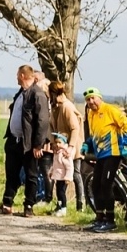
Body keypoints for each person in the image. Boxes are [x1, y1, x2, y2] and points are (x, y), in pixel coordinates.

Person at [0, 64, 51, 216]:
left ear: (22, 75)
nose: (16, 77)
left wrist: (38, 144)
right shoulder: (21, 93)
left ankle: (29, 206)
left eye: (17, 74)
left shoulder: (37, 94)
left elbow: (42, 121)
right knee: (11, 173)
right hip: (14, 141)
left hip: (28, 144)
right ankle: (7, 203)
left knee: (31, 175)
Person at [82, 88, 127, 233]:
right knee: (95, 185)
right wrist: (87, 144)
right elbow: (95, 134)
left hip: (113, 153)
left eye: (93, 98)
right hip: (101, 154)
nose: (91, 102)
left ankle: (110, 221)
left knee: (106, 184)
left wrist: (125, 144)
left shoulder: (110, 110)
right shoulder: (91, 114)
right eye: (88, 100)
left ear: (100, 98)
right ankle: (99, 218)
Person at [47, 80, 83, 216]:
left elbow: (75, 128)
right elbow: (51, 126)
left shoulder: (67, 107)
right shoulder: (55, 107)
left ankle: (80, 204)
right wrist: (53, 142)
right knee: (60, 177)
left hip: (70, 147)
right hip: (60, 146)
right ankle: (60, 204)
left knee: (75, 174)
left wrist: (71, 147)